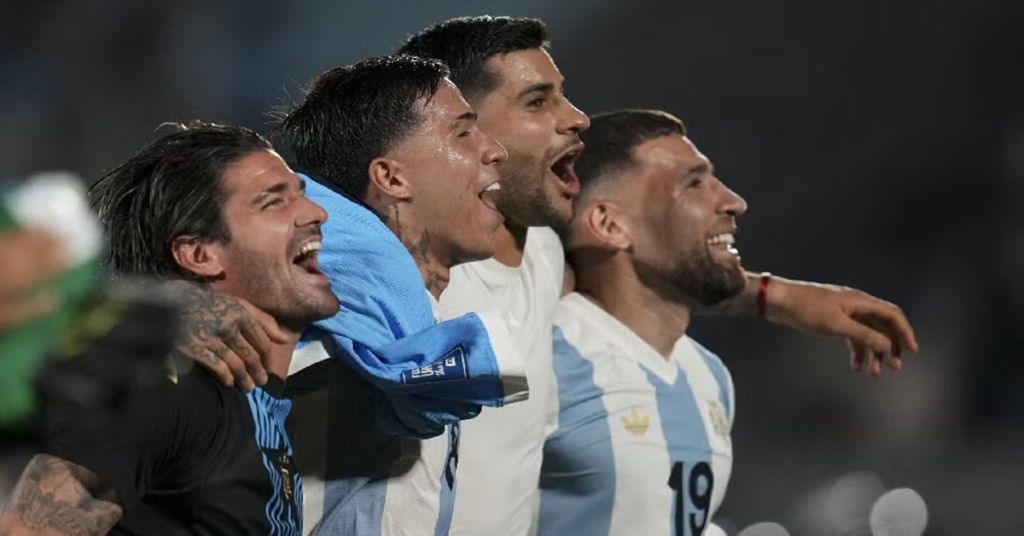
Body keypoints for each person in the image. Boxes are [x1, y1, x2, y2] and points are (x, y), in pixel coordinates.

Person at [398, 16, 917, 536]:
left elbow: (636, 275)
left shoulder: (545, 258)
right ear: (460, 128)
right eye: (538, 102)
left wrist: (772, 294)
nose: (576, 118)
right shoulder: (405, 267)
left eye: (563, 97)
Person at [0, 122, 339, 535]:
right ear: (199, 254)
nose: (315, 212)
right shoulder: (170, 388)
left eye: (301, 194)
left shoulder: (247, 398)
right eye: (273, 203)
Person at [270, 54, 524, 535]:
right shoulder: (324, 320)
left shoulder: (404, 333)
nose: (495, 150)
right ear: (390, 178)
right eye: (463, 133)